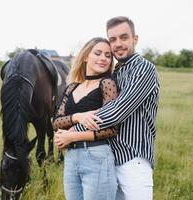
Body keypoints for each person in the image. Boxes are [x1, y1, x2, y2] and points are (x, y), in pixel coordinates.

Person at [56, 16, 160, 200]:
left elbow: (116, 112)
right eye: (113, 39)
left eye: (124, 37)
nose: (118, 43)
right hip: (109, 156)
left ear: (135, 39)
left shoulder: (144, 69)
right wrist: (73, 122)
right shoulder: (117, 71)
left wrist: (71, 134)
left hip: (132, 159)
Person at [52, 37, 118, 200]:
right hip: (71, 158)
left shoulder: (107, 84)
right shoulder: (72, 87)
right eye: (98, 53)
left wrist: (71, 136)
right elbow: (56, 122)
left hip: (97, 156)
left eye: (108, 55)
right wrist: (77, 117)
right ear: (86, 56)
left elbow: (111, 129)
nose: (103, 58)